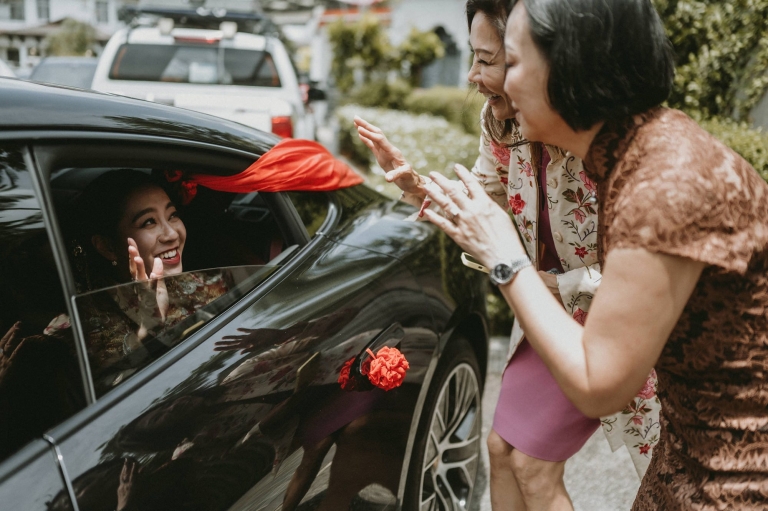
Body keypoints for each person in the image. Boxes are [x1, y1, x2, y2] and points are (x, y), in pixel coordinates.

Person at [421, 0, 768, 509]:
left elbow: (597, 383)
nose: (496, 83)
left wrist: (504, 255)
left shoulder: (665, 183)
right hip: (688, 462)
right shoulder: (638, 152)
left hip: (737, 481)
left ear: (572, 69)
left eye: (511, 63)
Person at [356, 1, 658, 509]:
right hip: (549, 314)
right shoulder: (503, 123)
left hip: (616, 321)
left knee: (544, 468)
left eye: (489, 59)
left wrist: (551, 284)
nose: (473, 76)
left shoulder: (615, 142)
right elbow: (486, 205)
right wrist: (415, 188)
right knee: (501, 450)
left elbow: (652, 272)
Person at [71, 170, 228, 375]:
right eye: (149, 222)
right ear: (107, 247)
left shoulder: (203, 283)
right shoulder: (82, 331)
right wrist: (149, 331)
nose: (172, 234)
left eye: (172, 215)